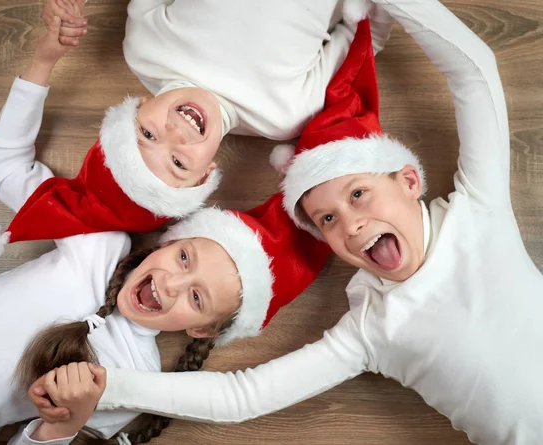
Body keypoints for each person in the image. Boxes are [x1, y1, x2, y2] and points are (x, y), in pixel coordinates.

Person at [31, 2, 543, 444]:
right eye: (328, 219)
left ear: (409, 180)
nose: (351, 224)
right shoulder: (371, 329)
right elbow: (240, 396)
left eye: (359, 195)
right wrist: (110, 386)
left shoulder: (480, 209)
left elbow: (476, 70)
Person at [0, 17, 329, 444]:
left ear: (202, 330)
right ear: (169, 241)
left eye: (196, 298)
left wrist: (61, 427)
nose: (171, 282)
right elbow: (7, 168)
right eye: (184, 259)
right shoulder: (98, 246)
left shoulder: (136, 378)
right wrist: (43, 60)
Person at [42, 0, 396, 189]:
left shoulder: (144, 48)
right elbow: (364, 38)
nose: (175, 135)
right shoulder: (283, 116)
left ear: (138, 107)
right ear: (206, 173)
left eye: (147, 134)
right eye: (178, 163)